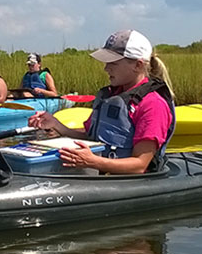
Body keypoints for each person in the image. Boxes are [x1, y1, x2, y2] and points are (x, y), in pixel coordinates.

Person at [28, 29, 175, 174]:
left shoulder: (153, 105)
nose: (106, 68)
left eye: (113, 63)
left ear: (138, 65)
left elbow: (139, 165)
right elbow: (91, 137)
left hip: (129, 183)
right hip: (101, 174)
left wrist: (92, 161)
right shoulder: (110, 95)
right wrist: (55, 124)